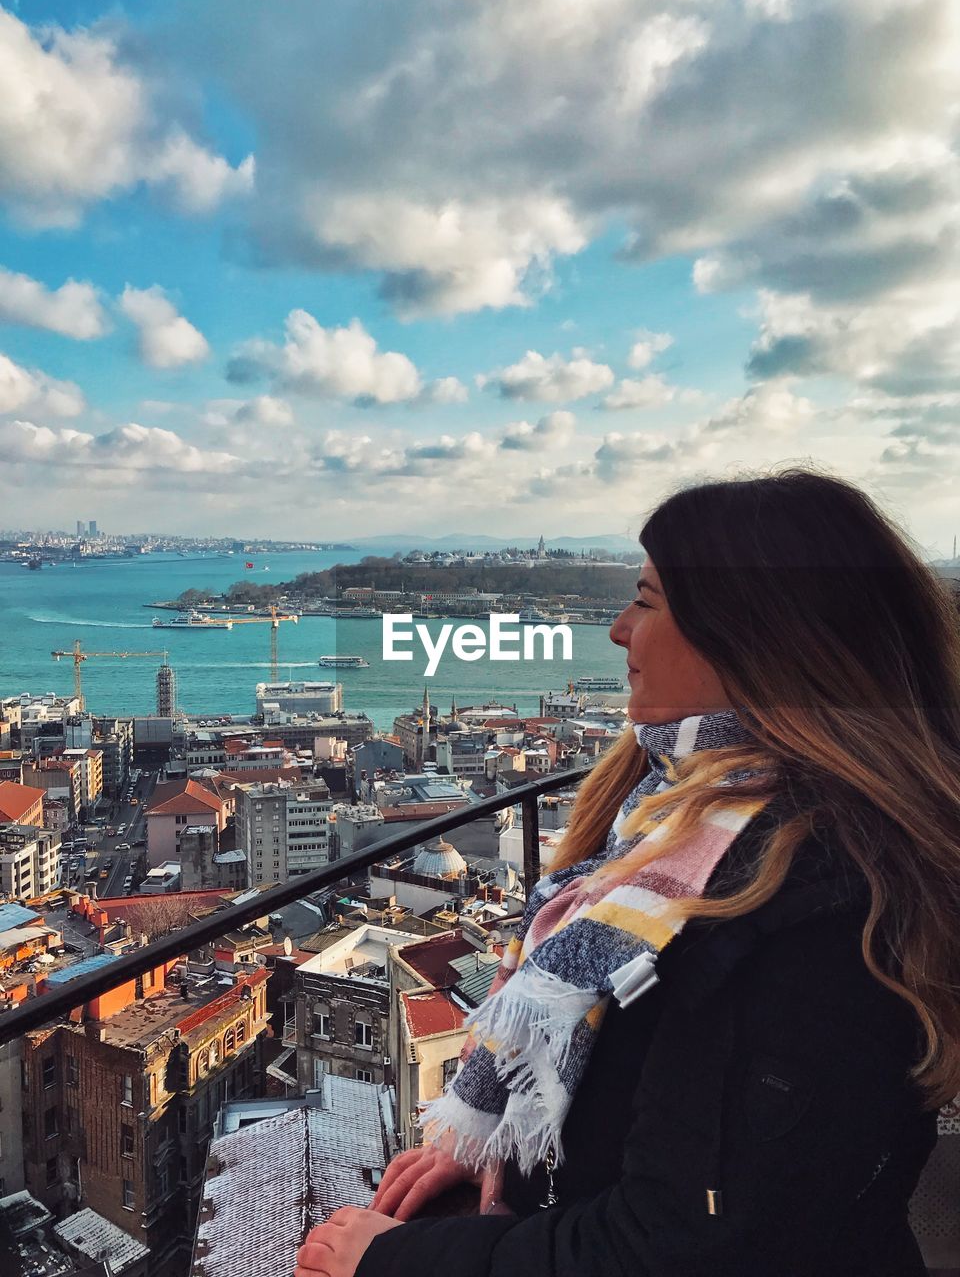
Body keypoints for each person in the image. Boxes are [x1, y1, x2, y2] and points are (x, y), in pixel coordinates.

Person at [295, 469, 960, 1277]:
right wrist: (500, 1137)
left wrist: (401, 1259)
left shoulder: (805, 897)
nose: (617, 629)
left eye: (645, 600)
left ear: (749, 636)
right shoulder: (696, 817)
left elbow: (678, 1240)